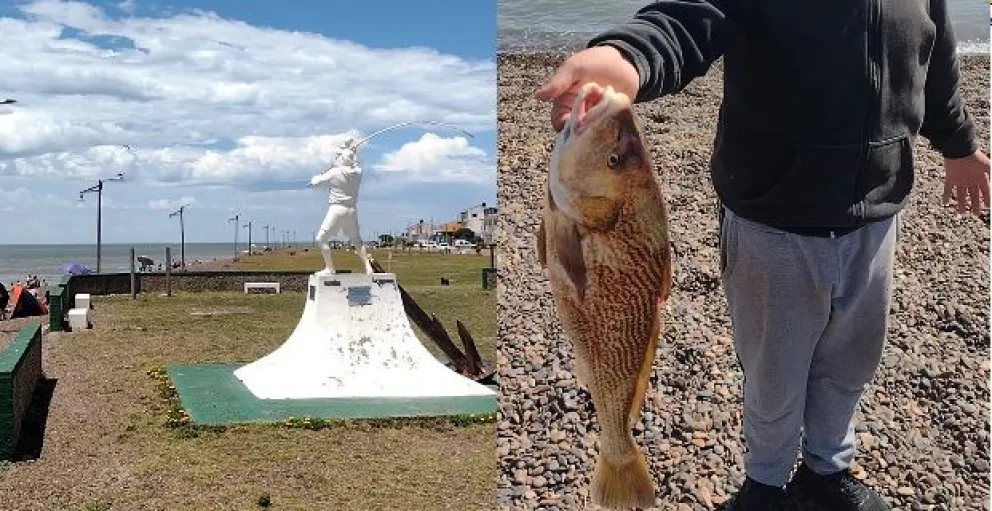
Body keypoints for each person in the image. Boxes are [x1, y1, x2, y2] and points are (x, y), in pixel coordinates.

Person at [535, 2, 990, 510]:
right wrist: (629, 55)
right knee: (775, 374)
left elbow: (936, 56)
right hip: (773, 224)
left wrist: (958, 144)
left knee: (849, 365)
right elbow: (693, 15)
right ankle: (767, 483)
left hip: (877, 217)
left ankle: (827, 471)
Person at [309, 138, 374, 275]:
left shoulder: (334, 173)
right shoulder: (358, 173)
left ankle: (330, 268)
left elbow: (316, 183)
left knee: (321, 239)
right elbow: (356, 165)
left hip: (337, 209)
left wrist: (316, 178)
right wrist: (352, 152)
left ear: (342, 159)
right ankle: (368, 267)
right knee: (357, 241)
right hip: (351, 210)